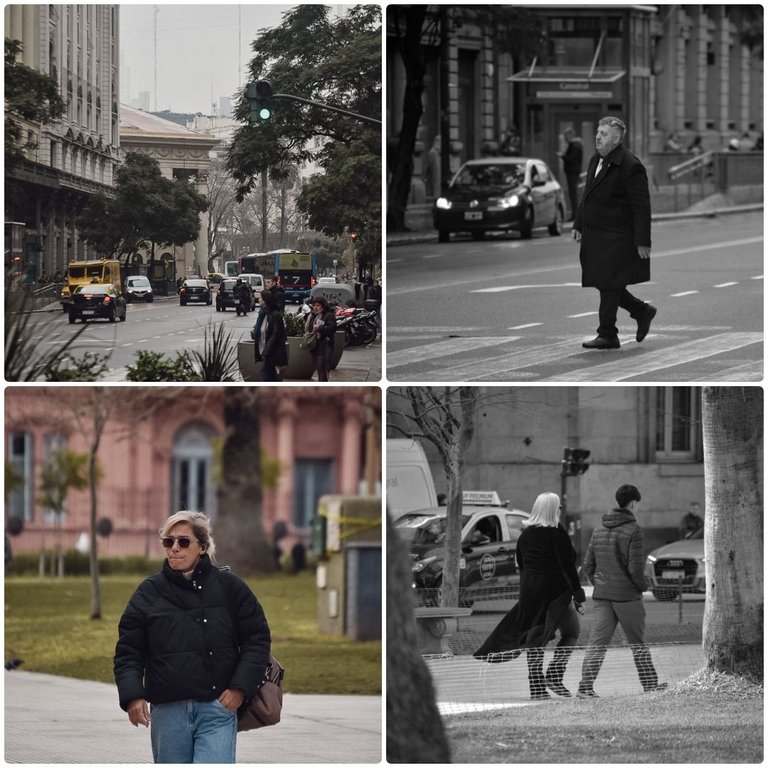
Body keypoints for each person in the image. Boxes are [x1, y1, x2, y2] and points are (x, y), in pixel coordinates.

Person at [114, 511, 271, 763]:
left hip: (217, 710)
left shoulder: (230, 587)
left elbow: (257, 639)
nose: (175, 548)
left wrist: (239, 689)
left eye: (183, 541)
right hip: (168, 712)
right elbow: (129, 651)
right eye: (169, 541)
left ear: (203, 547)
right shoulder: (148, 593)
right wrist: (132, 695)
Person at [474, 492, 586, 700]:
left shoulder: (525, 536)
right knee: (572, 632)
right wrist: (579, 596)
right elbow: (569, 567)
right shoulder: (557, 535)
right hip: (555, 596)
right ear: (552, 510)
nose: (561, 510)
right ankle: (554, 674)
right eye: (559, 507)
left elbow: (522, 564)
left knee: (536, 641)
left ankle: (536, 688)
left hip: (530, 596)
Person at [573, 116, 656, 350]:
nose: (598, 136)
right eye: (598, 131)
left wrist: (642, 241)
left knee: (608, 284)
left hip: (618, 237)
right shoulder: (596, 160)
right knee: (605, 282)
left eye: (604, 133)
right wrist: (578, 223)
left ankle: (608, 334)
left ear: (617, 139)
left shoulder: (630, 165)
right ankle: (642, 310)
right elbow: (587, 196)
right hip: (597, 236)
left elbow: (641, 205)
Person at [577, 484, 666, 697]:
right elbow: (635, 569)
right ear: (634, 503)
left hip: (603, 596)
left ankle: (585, 687)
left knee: (597, 643)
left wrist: (600, 582)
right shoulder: (634, 531)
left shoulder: (598, 529)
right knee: (638, 644)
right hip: (627, 597)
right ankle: (650, 684)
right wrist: (644, 587)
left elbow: (588, 564)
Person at [255, 290, 288, 381]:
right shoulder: (263, 314)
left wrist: (267, 350)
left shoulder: (275, 315)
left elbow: (276, 334)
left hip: (271, 353)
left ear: (266, 300)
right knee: (270, 377)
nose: (259, 299)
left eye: (261, 297)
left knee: (266, 377)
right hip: (265, 352)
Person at [305, 296, 336, 382]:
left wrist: (319, 328)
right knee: (319, 368)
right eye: (314, 305)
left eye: (318, 305)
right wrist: (310, 316)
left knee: (322, 367)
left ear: (323, 306)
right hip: (316, 346)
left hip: (325, 346)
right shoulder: (314, 316)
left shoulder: (328, 316)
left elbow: (332, 328)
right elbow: (308, 328)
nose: (315, 307)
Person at [559, 128, 584, 221]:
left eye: (566, 136)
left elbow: (572, 159)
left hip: (573, 172)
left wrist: (562, 156)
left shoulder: (575, 145)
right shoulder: (575, 145)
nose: (565, 139)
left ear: (570, 136)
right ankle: (575, 213)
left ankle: (576, 214)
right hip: (573, 172)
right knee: (573, 193)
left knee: (573, 193)